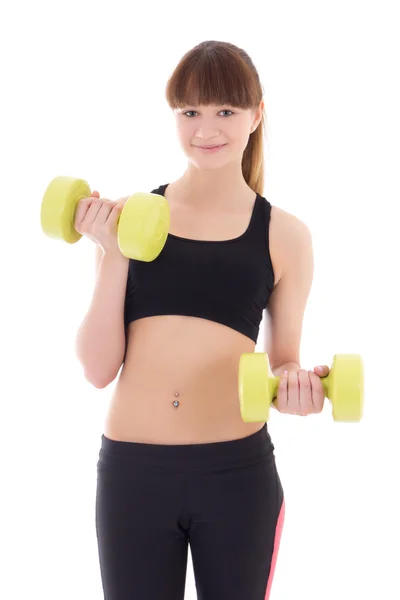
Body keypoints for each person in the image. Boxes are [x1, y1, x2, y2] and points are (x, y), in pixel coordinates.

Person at [75, 40, 329, 600]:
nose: (205, 128)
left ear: (256, 114)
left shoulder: (285, 234)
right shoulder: (131, 219)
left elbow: (284, 362)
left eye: (225, 111)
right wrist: (112, 251)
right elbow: (97, 370)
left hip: (235, 476)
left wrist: (296, 387)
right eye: (189, 111)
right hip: (132, 476)